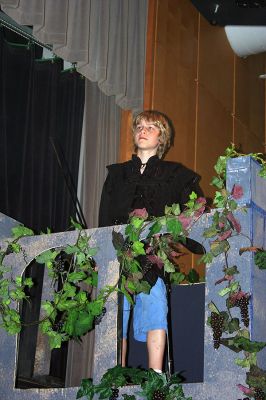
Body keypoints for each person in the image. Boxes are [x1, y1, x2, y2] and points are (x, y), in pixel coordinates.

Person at [98, 110, 203, 372]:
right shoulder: (117, 174)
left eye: (151, 127)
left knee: (156, 304)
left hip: (153, 253)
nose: (142, 130)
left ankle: (156, 375)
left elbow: (195, 209)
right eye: (140, 126)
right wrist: (101, 253)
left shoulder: (176, 174)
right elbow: (103, 218)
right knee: (116, 315)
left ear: (162, 138)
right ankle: (117, 376)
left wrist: (189, 235)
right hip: (119, 253)